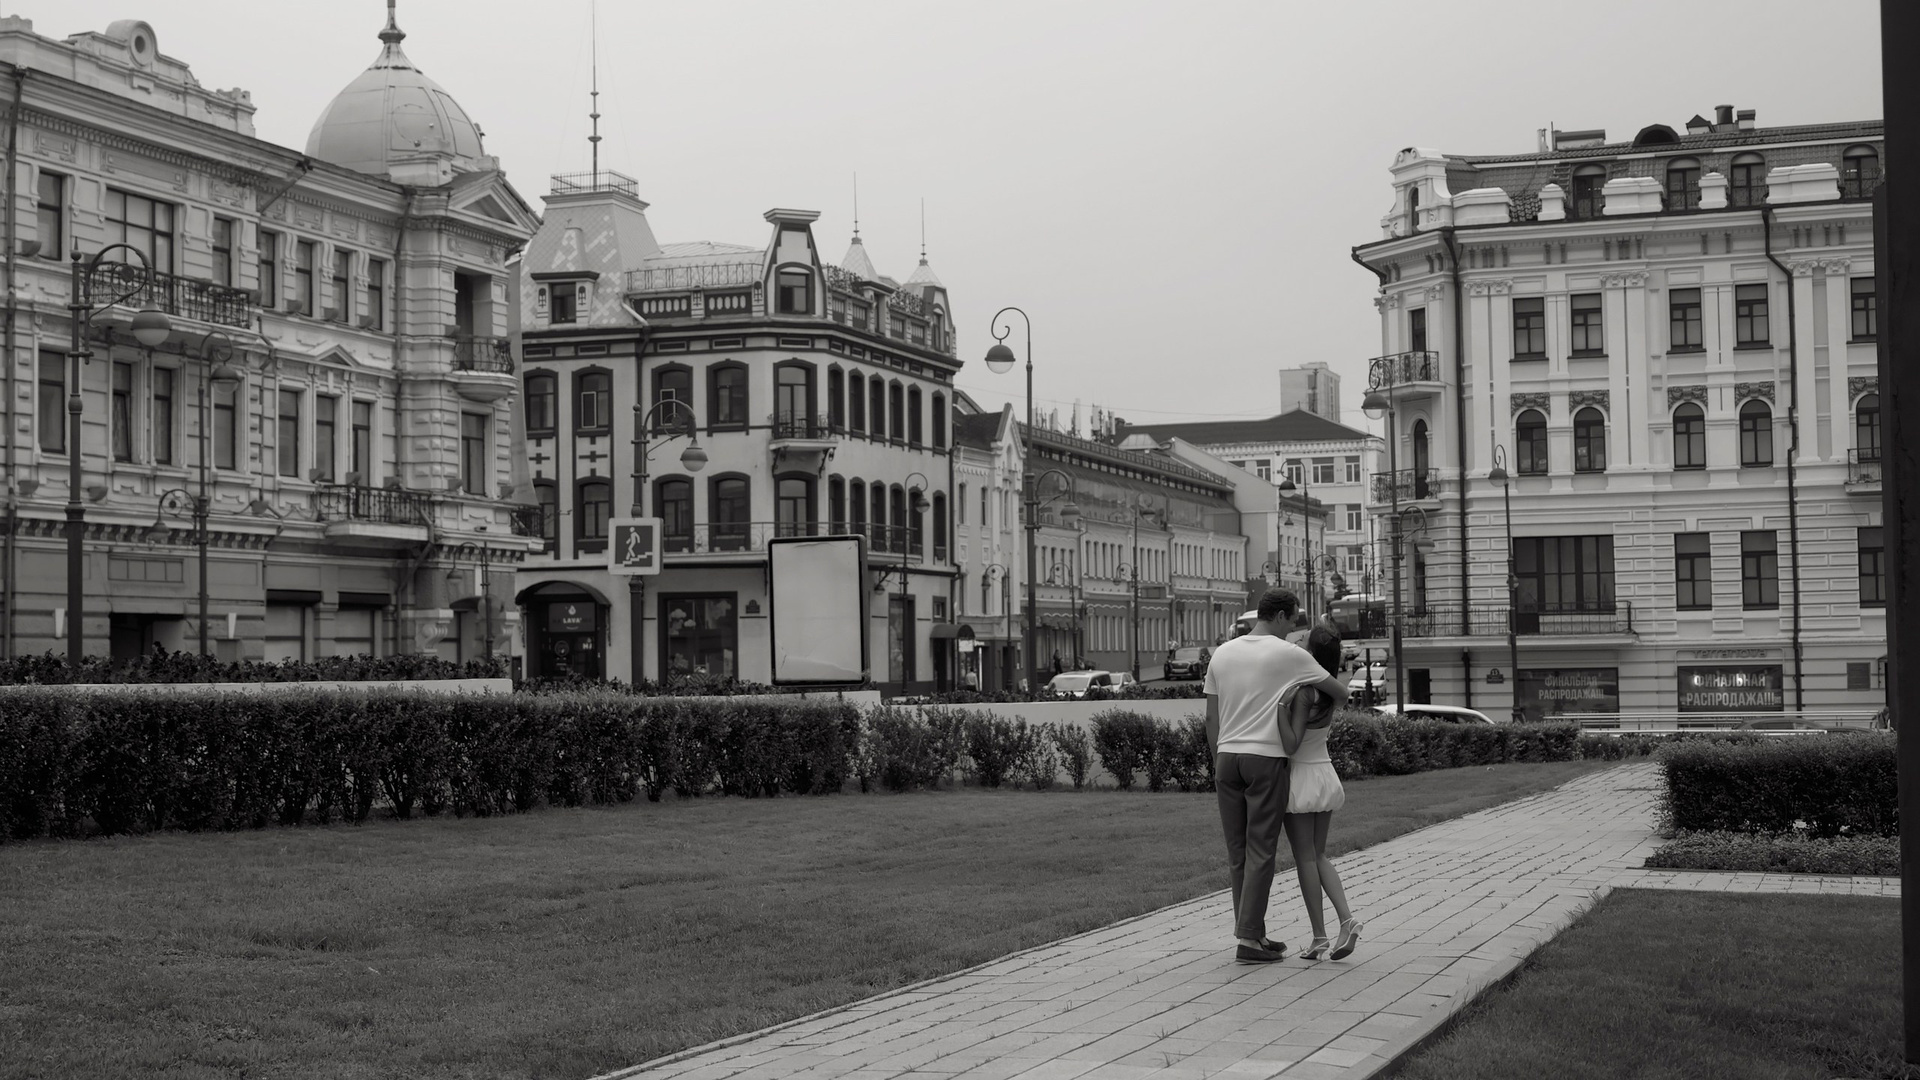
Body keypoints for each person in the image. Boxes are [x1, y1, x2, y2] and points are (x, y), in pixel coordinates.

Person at [1204, 588, 1350, 965]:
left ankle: (1255, 932)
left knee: (1237, 853)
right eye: (1295, 619)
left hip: (1226, 757)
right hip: (1264, 759)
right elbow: (1340, 693)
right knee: (1260, 851)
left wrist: (1219, 757)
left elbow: (1211, 718)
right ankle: (1249, 941)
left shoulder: (1223, 652)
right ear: (1282, 616)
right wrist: (1291, 696)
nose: (1295, 627)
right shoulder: (1291, 655)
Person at [1282, 617, 1362, 961]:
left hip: (1300, 778)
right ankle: (1347, 919)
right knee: (1319, 854)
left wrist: (1280, 709)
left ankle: (1319, 936)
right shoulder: (1330, 692)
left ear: (1312, 652)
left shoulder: (1304, 694)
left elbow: (1290, 745)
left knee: (1304, 858)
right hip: (1324, 773)